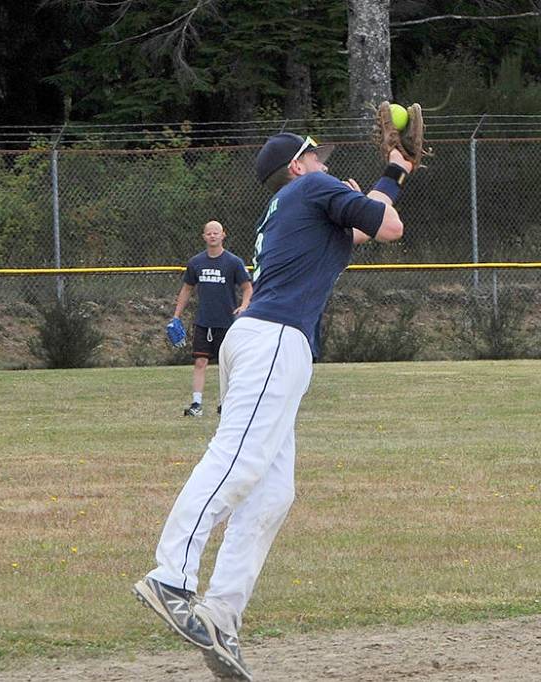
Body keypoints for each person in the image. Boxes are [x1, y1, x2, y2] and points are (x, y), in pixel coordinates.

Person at [134, 133, 414, 681]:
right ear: (298, 164)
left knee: (273, 492)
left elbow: (359, 230)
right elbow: (388, 227)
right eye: (316, 154)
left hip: (266, 341)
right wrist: (392, 175)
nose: (323, 162)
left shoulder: (299, 199)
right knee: (238, 460)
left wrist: (394, 173)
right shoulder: (313, 185)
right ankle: (170, 576)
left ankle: (220, 615)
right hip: (274, 340)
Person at [170, 221, 252, 417]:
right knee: (200, 362)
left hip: (227, 322)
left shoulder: (233, 262)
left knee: (228, 366)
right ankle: (196, 404)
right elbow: (187, 289)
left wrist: (244, 306)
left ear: (223, 235)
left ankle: (227, 403)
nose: (213, 236)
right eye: (209, 233)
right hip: (204, 322)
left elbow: (247, 287)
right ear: (204, 236)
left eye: (216, 233)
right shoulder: (196, 262)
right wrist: (176, 316)